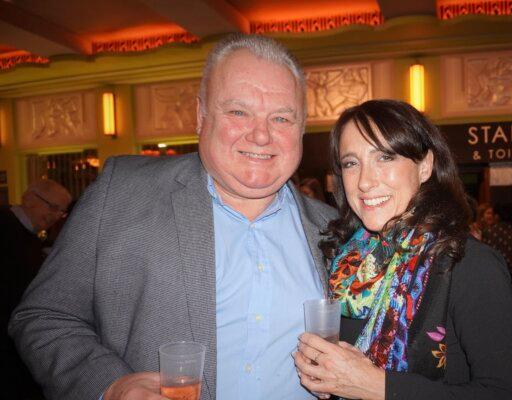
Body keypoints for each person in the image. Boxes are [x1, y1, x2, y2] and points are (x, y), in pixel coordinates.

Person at [9, 34, 336, 400]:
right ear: (201, 116)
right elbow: (44, 316)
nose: (261, 135)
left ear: (302, 126)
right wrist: (111, 386)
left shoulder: (334, 229)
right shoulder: (123, 193)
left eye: (281, 117)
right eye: (238, 112)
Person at [294, 100, 512, 399]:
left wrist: (376, 386)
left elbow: (505, 393)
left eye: (385, 158)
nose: (364, 181)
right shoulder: (342, 260)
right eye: (351, 163)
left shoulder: (469, 264)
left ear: (425, 166)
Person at [0, 179, 71, 400]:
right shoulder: (5, 227)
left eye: (60, 212)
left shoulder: (32, 239)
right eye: (51, 206)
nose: (54, 216)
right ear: (28, 198)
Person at [482, 203, 512, 338]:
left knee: (498, 318)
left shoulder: (491, 232)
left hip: (497, 280)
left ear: (497, 216)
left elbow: (485, 258)